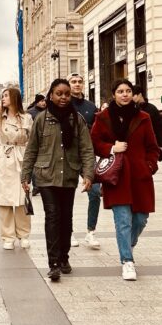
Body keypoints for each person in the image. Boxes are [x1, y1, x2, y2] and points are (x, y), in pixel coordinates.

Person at [21, 79, 94, 281]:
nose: (63, 97)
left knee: (66, 218)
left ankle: (64, 257)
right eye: (59, 93)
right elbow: (32, 149)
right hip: (45, 176)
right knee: (52, 216)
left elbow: (87, 149)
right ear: (51, 95)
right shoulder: (42, 119)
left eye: (67, 94)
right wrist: (25, 175)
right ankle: (53, 263)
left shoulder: (76, 119)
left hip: (68, 174)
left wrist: (88, 174)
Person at [91, 79, 159, 280]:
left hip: (140, 176)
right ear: (114, 94)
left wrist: (149, 166)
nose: (125, 94)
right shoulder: (103, 117)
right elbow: (94, 142)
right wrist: (111, 148)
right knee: (123, 221)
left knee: (141, 218)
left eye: (128, 91)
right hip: (117, 176)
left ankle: (127, 245)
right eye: (120, 91)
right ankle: (127, 261)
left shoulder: (144, 117)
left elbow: (153, 147)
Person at [0, 87, 33, 249]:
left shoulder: (27, 118)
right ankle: (8, 237)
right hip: (4, 160)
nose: (3, 99)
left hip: (21, 159)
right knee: (4, 200)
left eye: (6, 96)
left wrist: (30, 159)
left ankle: (24, 234)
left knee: (22, 198)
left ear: (15, 98)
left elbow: (33, 141)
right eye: (2, 96)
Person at [68, 73, 101, 249]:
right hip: (68, 155)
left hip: (88, 155)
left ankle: (91, 231)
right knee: (67, 195)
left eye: (80, 82)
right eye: (73, 82)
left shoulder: (90, 106)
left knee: (95, 192)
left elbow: (98, 130)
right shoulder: (64, 105)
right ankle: (69, 232)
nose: (77, 84)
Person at [133, 88, 162, 162]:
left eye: (133, 95)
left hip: (148, 147)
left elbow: (160, 128)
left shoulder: (151, 109)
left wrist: (161, 145)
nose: (131, 97)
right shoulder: (132, 108)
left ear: (140, 95)